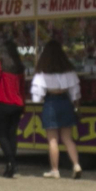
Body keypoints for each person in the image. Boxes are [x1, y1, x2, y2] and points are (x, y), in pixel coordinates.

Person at [30, 37, 82, 179]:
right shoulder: (69, 71)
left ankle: (55, 170)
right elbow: (75, 93)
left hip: (51, 103)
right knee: (67, 138)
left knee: (52, 139)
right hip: (66, 102)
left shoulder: (42, 73)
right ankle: (76, 164)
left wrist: (39, 99)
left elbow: (37, 97)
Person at [0, 40, 25, 177]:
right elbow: (22, 88)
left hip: (3, 103)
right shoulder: (19, 66)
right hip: (18, 104)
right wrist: (23, 105)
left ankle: (10, 162)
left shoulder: (0, 65)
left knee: (1, 134)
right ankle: (13, 165)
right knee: (12, 134)